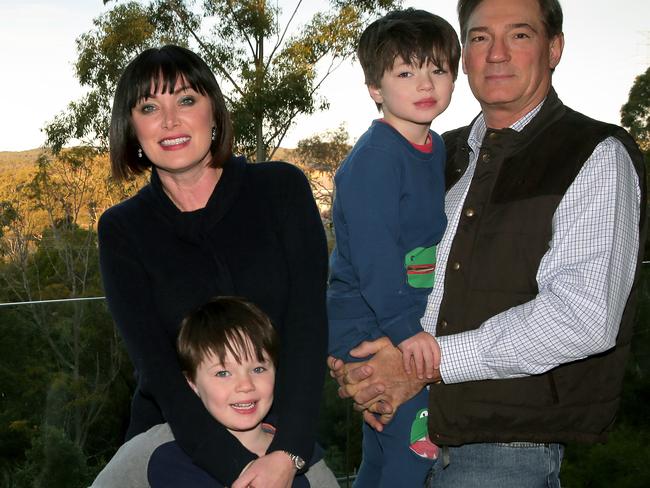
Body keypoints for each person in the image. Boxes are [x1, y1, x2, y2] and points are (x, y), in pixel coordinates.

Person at [329, 0, 647, 486]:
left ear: (554, 47)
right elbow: (381, 259)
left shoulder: (592, 155)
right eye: (479, 38)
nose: (496, 54)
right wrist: (366, 368)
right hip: (412, 423)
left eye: (519, 35)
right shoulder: (438, 150)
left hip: (502, 453)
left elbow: (584, 317)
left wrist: (421, 365)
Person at [98, 44, 329, 488]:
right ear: (132, 129)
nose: (170, 121)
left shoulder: (281, 191)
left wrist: (286, 455)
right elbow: (159, 372)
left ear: (214, 113)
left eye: (186, 99)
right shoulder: (123, 230)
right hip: (174, 448)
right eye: (150, 107)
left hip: (281, 442)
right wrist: (237, 471)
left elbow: (307, 329)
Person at [326, 8, 460, 487]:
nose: (425, 83)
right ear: (376, 89)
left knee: (384, 455)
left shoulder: (435, 147)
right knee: (416, 451)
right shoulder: (375, 161)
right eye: (406, 72)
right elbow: (376, 260)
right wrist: (408, 333)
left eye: (438, 69)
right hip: (371, 319)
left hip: (398, 317)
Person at [91, 296, 338, 488]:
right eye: (223, 373)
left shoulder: (301, 464)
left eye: (258, 368)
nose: (245, 385)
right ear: (192, 383)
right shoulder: (154, 450)